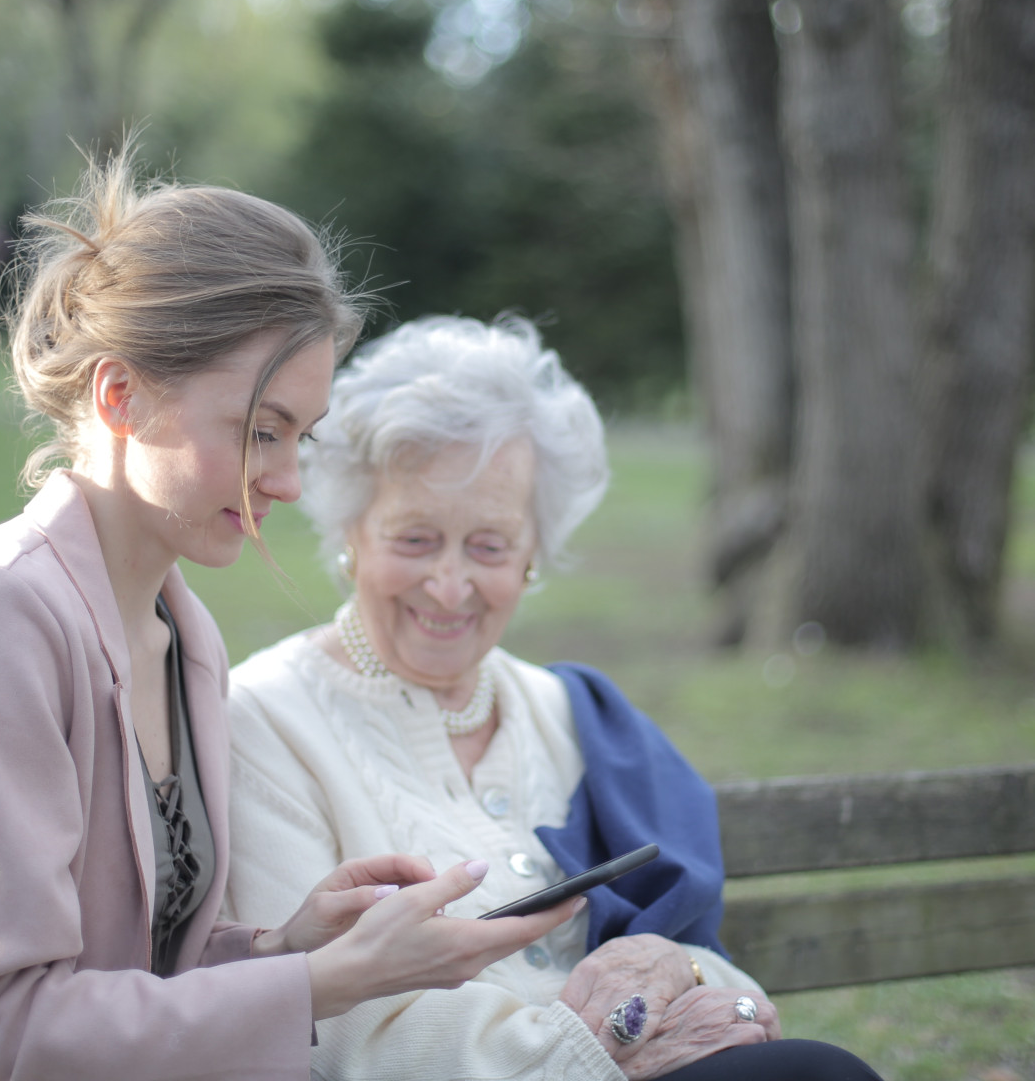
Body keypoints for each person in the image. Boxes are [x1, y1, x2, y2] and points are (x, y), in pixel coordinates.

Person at [0, 157, 577, 1081]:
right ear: (120, 396)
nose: (286, 481)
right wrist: (318, 986)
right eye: (258, 430)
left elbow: (130, 973)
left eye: (301, 437)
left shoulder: (182, 633)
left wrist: (288, 948)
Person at [222, 316, 885, 1081]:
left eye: (489, 546)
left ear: (533, 556)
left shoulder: (575, 715)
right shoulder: (264, 722)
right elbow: (339, 1032)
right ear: (351, 534)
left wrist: (682, 972)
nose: (449, 584)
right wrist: (594, 1050)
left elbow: (724, 983)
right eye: (414, 539)